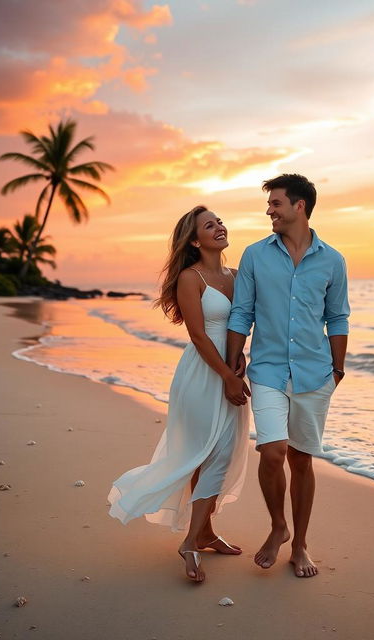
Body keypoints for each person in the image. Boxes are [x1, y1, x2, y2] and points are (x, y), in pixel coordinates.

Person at [108, 205, 250, 583]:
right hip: (202, 374)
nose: (219, 227)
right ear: (193, 239)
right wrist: (227, 376)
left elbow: (242, 326)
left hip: (230, 370)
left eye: (220, 220)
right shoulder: (191, 277)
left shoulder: (237, 276)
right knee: (209, 453)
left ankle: (204, 531)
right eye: (209, 225)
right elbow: (199, 336)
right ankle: (190, 540)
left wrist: (241, 363)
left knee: (216, 452)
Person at [226, 174, 350, 578]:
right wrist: (233, 362)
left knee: (301, 459)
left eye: (276, 203)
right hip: (267, 369)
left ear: (300, 206)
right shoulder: (255, 255)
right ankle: (279, 526)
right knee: (273, 451)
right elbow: (241, 312)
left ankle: (300, 545)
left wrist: (337, 369)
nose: (269, 211)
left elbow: (337, 317)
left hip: (315, 374)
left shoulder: (333, 260)